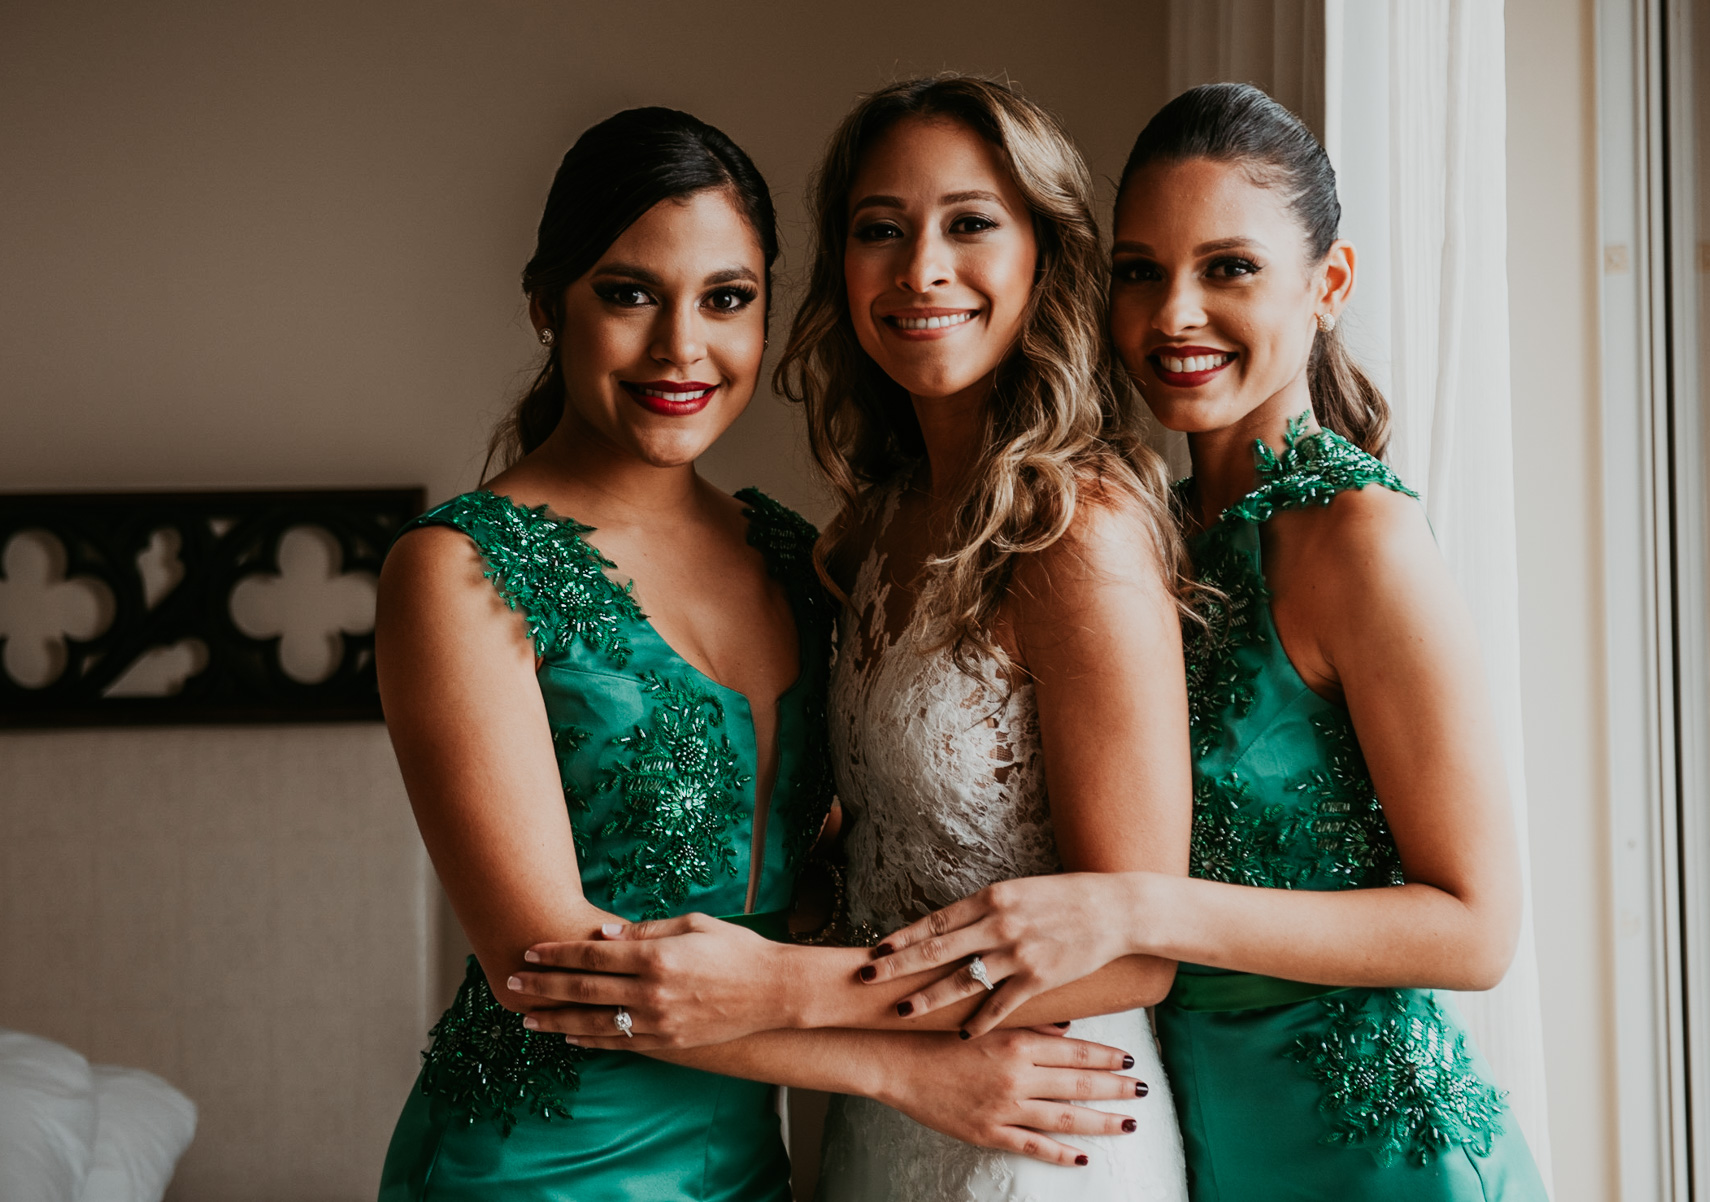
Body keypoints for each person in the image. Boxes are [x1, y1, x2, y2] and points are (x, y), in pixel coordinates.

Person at [375, 105, 1146, 1202]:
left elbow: (825, 877)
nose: (682, 346)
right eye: (628, 292)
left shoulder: (801, 556)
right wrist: (902, 1065)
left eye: (727, 298)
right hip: (535, 1165)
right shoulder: (456, 568)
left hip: (751, 1168)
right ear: (547, 305)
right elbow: (542, 968)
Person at [856, 84, 1552, 1200]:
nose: (1175, 313)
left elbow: (1475, 928)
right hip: (1193, 1131)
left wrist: (1136, 906)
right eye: (1141, 271)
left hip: (1370, 1148)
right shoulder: (1159, 530)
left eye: (1228, 268)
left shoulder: (1357, 534)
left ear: (1328, 285)